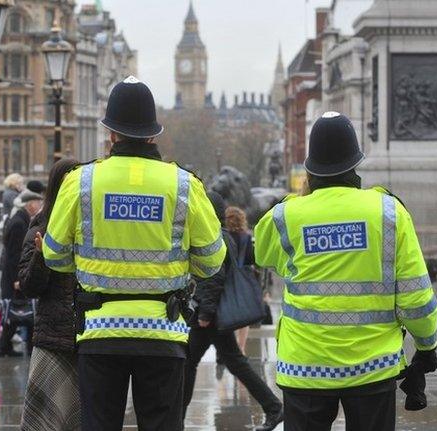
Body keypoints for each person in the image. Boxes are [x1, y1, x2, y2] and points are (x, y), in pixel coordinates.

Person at [43, 76, 226, 431]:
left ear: (111, 133)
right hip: (164, 332)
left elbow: (53, 254)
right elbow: (212, 261)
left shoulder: (80, 181)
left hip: (99, 331)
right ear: (153, 134)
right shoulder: (184, 185)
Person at [255, 112, 437, 431]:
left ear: (310, 168)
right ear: (356, 161)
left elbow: (265, 253)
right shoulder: (389, 212)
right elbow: (415, 299)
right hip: (373, 365)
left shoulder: (286, 216)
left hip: (305, 365)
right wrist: (426, 347)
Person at [183, 193, 284, 431]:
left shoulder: (213, 237)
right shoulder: (223, 235)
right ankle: (273, 407)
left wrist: (205, 313)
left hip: (210, 315)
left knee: (189, 363)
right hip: (215, 314)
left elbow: (214, 278)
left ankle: (177, 416)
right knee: (233, 362)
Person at [18, 159, 81, 431]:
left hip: (87, 339)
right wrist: (42, 256)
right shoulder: (39, 229)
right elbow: (29, 286)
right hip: (54, 339)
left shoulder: (91, 229)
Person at [0, 189, 43, 357]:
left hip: (14, 276)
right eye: (38, 203)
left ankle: (13, 347)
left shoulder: (21, 220)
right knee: (17, 312)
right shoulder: (19, 223)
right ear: (30, 204)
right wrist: (17, 278)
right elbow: (14, 254)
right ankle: (4, 347)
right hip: (14, 277)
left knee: (19, 312)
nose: (39, 206)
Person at [225, 206, 254, 354]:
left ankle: (227, 347)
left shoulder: (223, 236)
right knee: (243, 316)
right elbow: (250, 259)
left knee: (227, 313)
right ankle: (241, 346)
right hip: (242, 279)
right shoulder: (246, 237)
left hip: (226, 279)